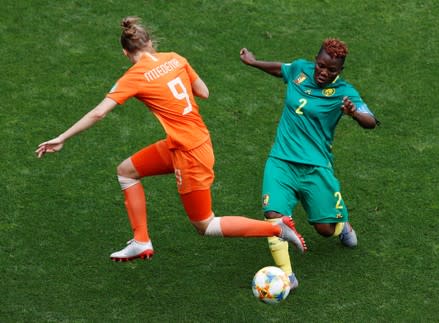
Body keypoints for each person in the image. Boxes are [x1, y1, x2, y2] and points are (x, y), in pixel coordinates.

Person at [35, 17, 307, 262]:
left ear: (125, 53)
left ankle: (276, 227)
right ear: (150, 43)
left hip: (190, 154)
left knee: (205, 224)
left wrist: (62, 137)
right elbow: (204, 92)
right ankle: (141, 240)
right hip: (187, 142)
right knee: (126, 171)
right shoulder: (176, 58)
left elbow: (98, 113)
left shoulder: (133, 77)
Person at [239, 39, 378, 288]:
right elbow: (281, 68)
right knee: (274, 216)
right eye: (320, 65)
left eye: (331, 70)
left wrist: (353, 113)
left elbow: (371, 121)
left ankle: (342, 225)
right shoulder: (300, 69)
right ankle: (287, 277)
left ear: (340, 71)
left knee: (325, 229)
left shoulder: (345, 92)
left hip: (315, 167)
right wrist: (253, 62)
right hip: (281, 160)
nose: (323, 72)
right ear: (315, 60)